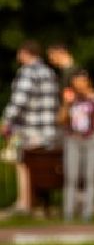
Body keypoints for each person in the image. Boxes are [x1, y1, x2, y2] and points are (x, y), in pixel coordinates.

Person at [2, 40, 61, 216]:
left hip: (30, 128)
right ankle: (39, 202)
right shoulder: (48, 72)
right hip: (48, 128)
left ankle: (25, 203)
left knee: (24, 164)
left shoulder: (27, 72)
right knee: (40, 166)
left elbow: (19, 101)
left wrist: (6, 121)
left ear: (25, 53)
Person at [59, 68, 94, 222]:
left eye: (81, 80)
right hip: (73, 139)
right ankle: (68, 213)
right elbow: (61, 119)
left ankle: (87, 213)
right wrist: (65, 104)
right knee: (71, 176)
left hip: (93, 139)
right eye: (76, 81)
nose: (79, 84)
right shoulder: (71, 98)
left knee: (90, 176)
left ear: (87, 81)